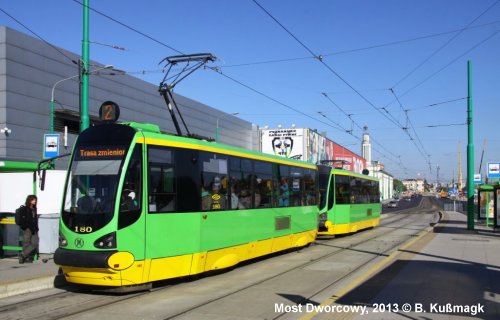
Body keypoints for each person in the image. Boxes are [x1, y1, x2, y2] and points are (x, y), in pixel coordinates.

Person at [18, 195, 39, 264]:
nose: (35, 201)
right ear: (29, 200)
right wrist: (25, 227)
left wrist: (36, 227)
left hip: (34, 228)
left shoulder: (34, 208)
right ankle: (24, 259)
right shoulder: (25, 208)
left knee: (35, 243)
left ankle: (22, 254)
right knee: (26, 243)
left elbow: (34, 219)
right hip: (27, 229)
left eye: (35, 200)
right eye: (33, 200)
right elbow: (24, 219)